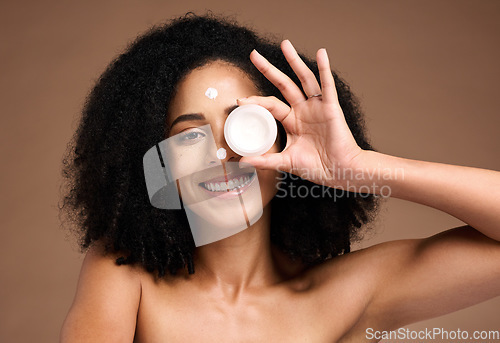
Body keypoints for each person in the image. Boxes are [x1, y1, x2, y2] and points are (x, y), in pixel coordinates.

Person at [59, 12, 500, 342]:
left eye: (244, 126)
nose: (222, 155)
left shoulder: (341, 297)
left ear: (281, 138)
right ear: (158, 165)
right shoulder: (122, 276)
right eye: (189, 136)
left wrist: (359, 167)